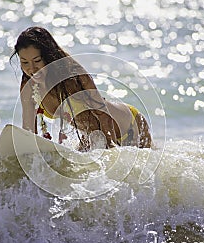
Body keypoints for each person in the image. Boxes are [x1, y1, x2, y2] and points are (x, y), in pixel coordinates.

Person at [11, 26, 152, 151]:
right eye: (24, 62)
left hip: (130, 126)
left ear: (48, 57)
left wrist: (111, 154)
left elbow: (104, 117)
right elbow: (29, 131)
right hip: (94, 138)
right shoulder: (29, 87)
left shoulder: (73, 76)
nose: (32, 69)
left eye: (37, 61)